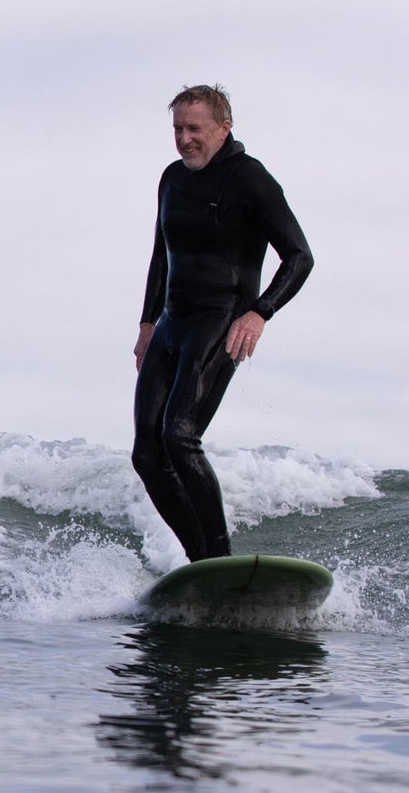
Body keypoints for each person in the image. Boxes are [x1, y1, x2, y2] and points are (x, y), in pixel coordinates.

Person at [132, 85, 313, 562]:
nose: (184, 139)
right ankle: (203, 563)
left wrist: (260, 311)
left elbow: (299, 256)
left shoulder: (250, 180)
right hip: (172, 324)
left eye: (194, 128)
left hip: (221, 323)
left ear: (224, 127)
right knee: (146, 455)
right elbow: (161, 254)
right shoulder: (171, 179)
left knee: (179, 436)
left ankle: (221, 557)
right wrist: (148, 323)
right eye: (177, 129)